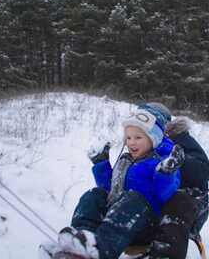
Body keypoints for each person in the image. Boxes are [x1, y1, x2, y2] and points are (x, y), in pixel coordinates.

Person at [54, 108, 185, 259]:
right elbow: (109, 189)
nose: (132, 142)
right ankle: (79, 242)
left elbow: (164, 194)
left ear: (152, 139)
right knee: (95, 195)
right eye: (128, 138)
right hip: (115, 217)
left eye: (138, 137)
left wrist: (166, 172)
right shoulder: (125, 160)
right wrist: (101, 163)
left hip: (143, 225)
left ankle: (99, 251)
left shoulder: (160, 164)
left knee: (133, 198)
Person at [139, 103, 209, 259]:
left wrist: (175, 160)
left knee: (177, 202)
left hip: (190, 205)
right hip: (155, 202)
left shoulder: (179, 138)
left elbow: (203, 171)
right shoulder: (141, 143)